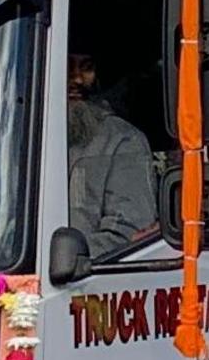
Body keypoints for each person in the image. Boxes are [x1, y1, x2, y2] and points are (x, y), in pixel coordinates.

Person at [65, 48, 159, 247]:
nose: (78, 79)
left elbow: (129, 235)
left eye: (86, 68)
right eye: (68, 66)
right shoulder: (15, 137)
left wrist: (63, 258)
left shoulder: (122, 139)